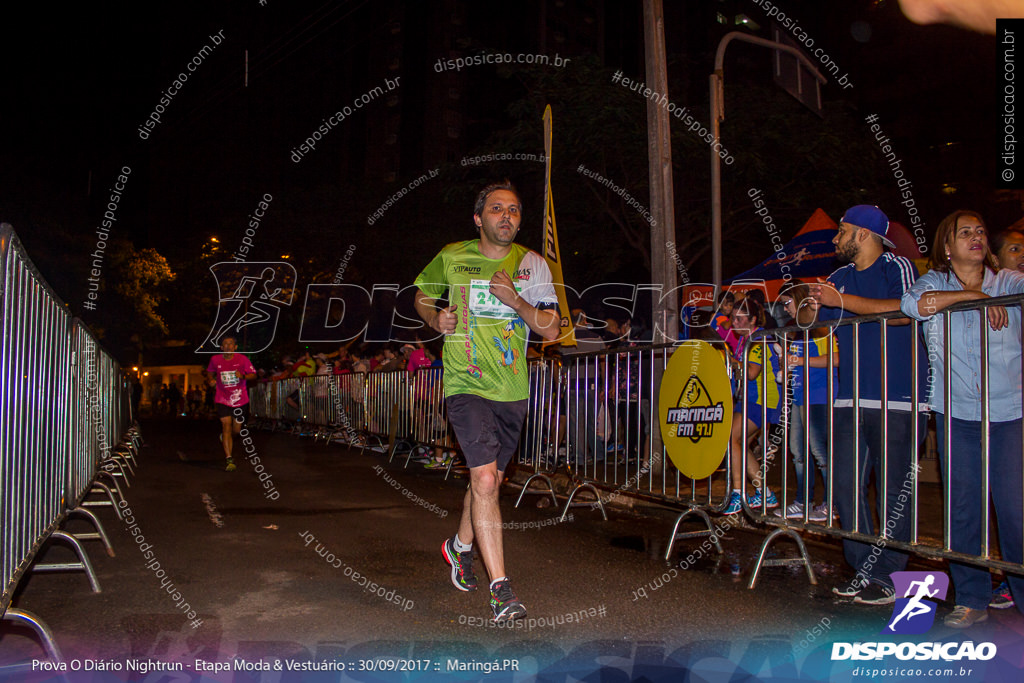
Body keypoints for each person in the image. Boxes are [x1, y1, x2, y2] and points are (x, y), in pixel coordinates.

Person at [414, 180, 559, 621]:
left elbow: (551, 329)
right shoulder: (453, 255)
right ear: (479, 218)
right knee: (483, 481)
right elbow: (422, 294)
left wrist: (515, 300)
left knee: (488, 481)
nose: (506, 217)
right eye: (497, 209)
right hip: (465, 382)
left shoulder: (532, 265)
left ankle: (459, 547)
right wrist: (435, 317)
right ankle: (501, 590)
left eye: (514, 210)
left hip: (512, 389)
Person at [900, 209, 1024, 627]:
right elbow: (912, 304)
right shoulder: (935, 282)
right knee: (965, 509)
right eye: (964, 232)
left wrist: (992, 293)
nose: (976, 236)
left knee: (1015, 511)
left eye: (981, 231)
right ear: (947, 248)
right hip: (957, 414)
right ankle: (972, 598)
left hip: (1010, 414)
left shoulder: (1009, 282)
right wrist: (973, 298)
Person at [809, 204, 927, 606]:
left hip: (897, 398)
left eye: (841, 231)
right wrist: (810, 301)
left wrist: (841, 300)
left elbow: (902, 313)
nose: (834, 238)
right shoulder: (839, 277)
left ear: (862, 234)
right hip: (849, 397)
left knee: (895, 491)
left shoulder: (898, 267)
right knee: (843, 487)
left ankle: (890, 575)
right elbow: (814, 324)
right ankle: (864, 569)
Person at [775, 282, 838, 522]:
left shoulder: (821, 328)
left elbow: (838, 357)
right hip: (800, 396)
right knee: (798, 452)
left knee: (820, 452)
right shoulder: (798, 330)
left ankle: (832, 503)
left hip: (820, 396)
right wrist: (788, 365)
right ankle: (803, 501)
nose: (785, 309)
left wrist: (801, 362)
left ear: (800, 299)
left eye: (787, 303)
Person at [719, 296, 782, 514]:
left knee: (732, 438)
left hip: (762, 399)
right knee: (739, 444)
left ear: (753, 319)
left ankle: (738, 494)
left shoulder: (758, 339)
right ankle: (764, 493)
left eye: (739, 319)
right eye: (732, 318)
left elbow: (752, 373)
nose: (734, 323)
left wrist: (731, 362)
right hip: (749, 399)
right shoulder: (747, 341)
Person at [204, 335, 257, 471]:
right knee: (226, 426)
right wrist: (210, 380)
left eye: (231, 344)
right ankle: (229, 458)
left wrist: (243, 376)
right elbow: (209, 372)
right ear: (222, 347)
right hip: (222, 399)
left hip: (240, 400)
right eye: (225, 344)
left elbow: (254, 375)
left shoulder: (242, 359)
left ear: (235, 347)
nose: (228, 346)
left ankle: (227, 437)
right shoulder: (215, 360)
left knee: (236, 430)